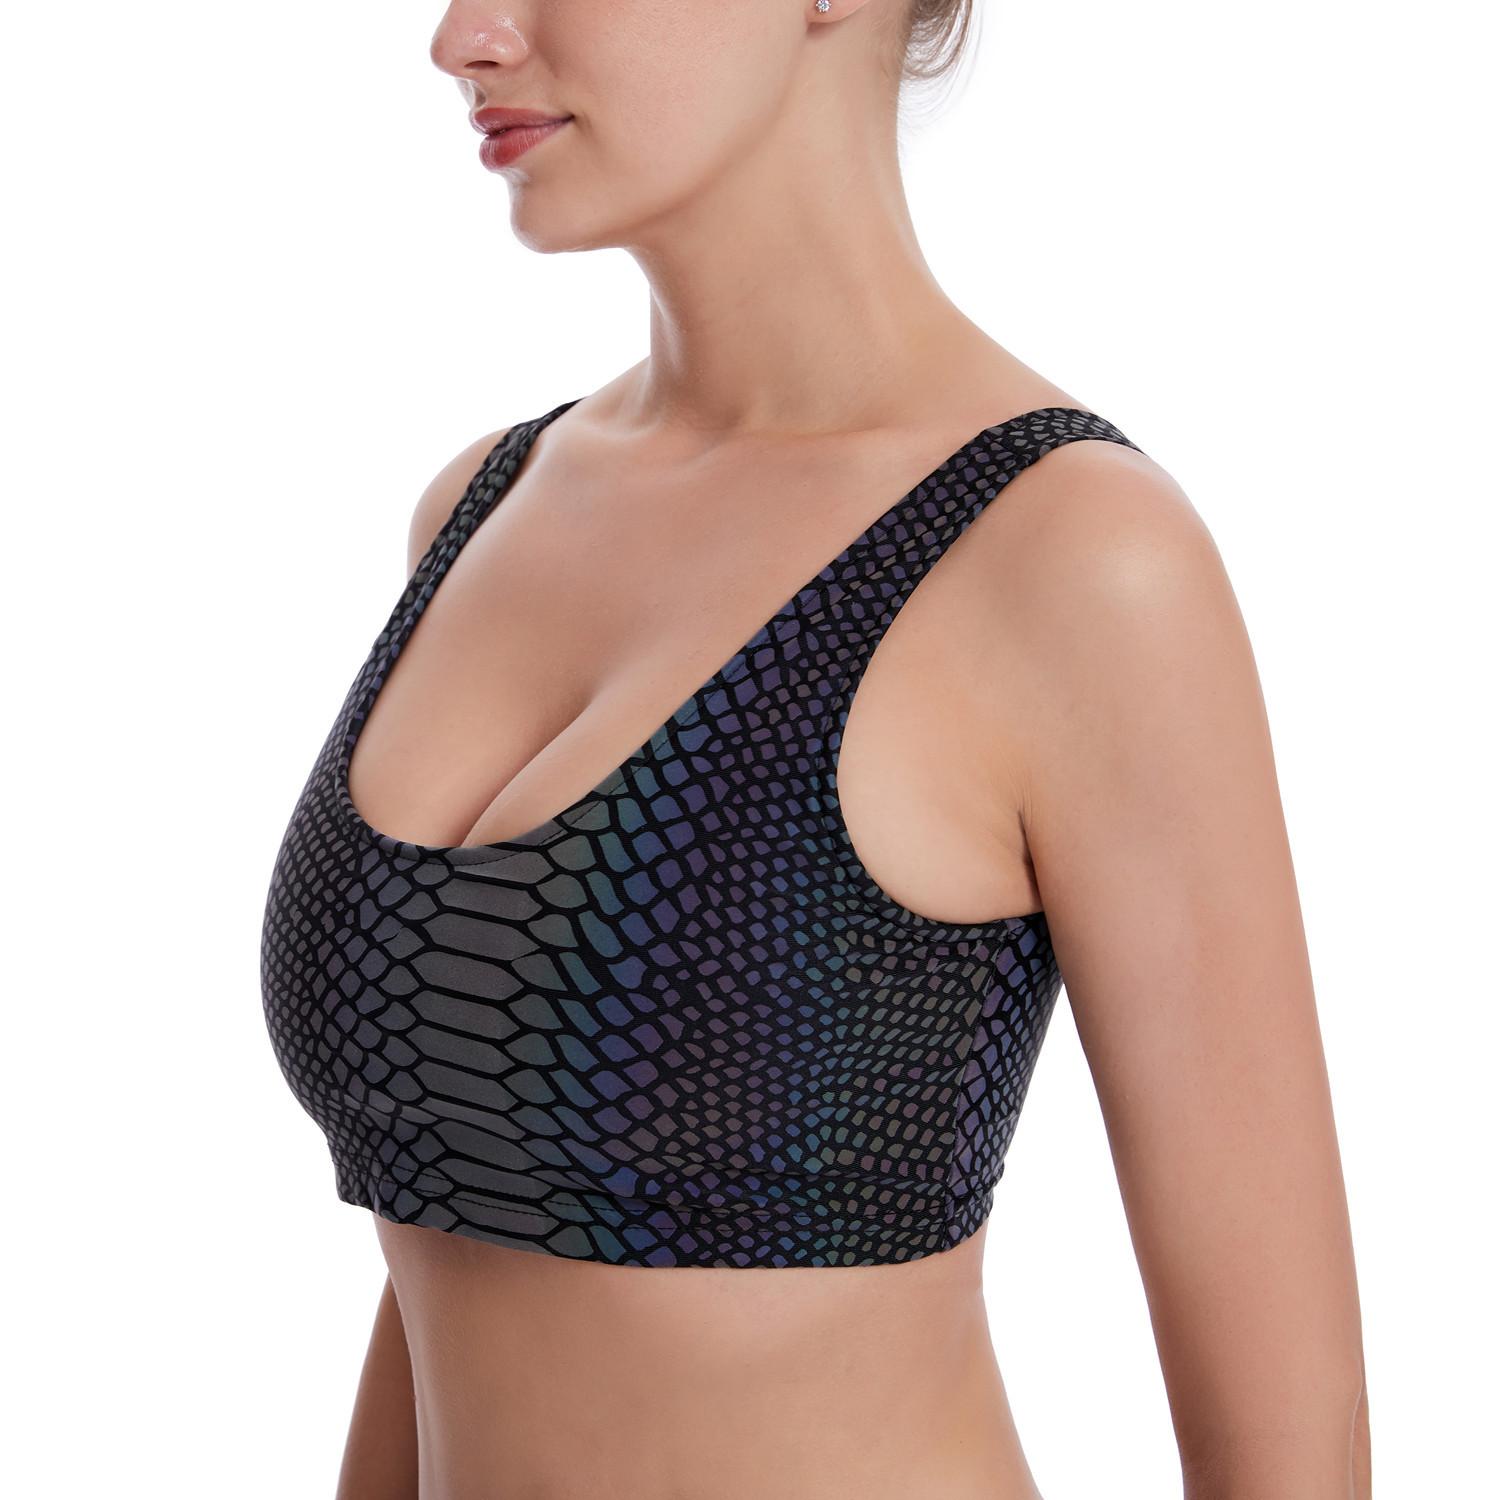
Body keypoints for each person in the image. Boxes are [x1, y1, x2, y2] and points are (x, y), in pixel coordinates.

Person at [259, 3, 1371, 1497]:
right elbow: (454, 1233)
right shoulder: (484, 508)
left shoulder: (1072, 559)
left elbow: (1292, 1454)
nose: (463, 36)